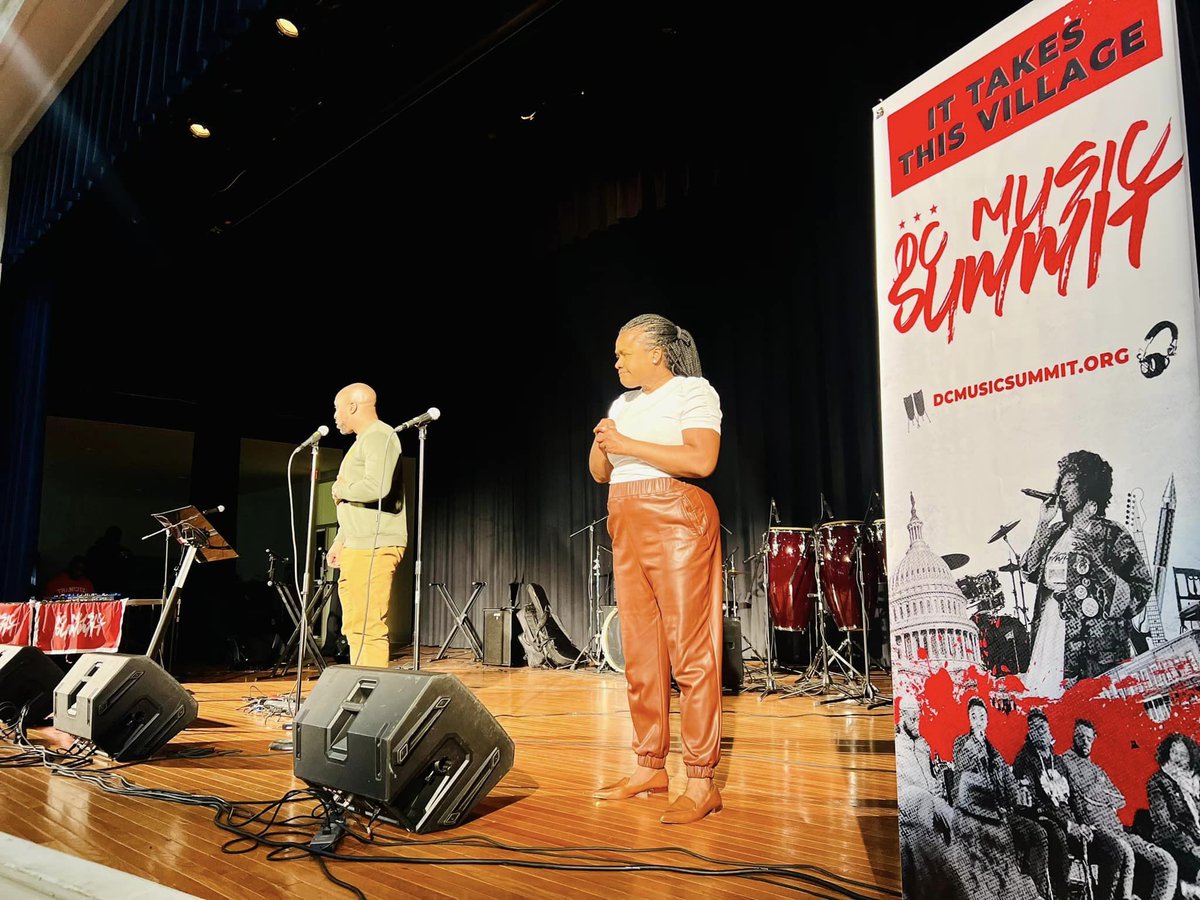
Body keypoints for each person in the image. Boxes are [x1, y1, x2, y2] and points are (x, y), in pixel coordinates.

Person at [588, 313, 725, 825]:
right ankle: (649, 765)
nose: (617, 361)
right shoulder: (621, 404)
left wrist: (627, 444)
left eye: (624, 352)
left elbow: (702, 459)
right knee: (640, 654)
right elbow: (601, 472)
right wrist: (604, 441)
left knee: (691, 652)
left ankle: (700, 779)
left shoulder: (693, 391)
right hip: (625, 518)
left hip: (676, 517)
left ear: (656, 353)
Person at [1021, 450, 1152, 692]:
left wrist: (1099, 565)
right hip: (1051, 636)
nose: (1062, 490)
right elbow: (1029, 571)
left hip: (1095, 646)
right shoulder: (1055, 533)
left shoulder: (1112, 533)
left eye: (1070, 483)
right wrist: (1042, 524)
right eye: (1061, 483)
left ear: (1088, 487)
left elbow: (1140, 592)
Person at [325, 383, 407, 669]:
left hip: (376, 542)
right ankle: (361, 683)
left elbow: (378, 486)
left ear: (352, 406)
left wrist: (341, 489)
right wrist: (340, 540)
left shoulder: (380, 435)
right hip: (358, 543)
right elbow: (356, 507)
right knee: (354, 623)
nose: (335, 416)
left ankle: (371, 694)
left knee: (368, 623)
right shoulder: (362, 441)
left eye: (337, 408)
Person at [1060, 719, 1178, 900]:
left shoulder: (1098, 769)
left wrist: (1099, 793)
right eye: (1080, 737)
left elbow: (1120, 799)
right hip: (1097, 832)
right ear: (1073, 738)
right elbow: (1081, 797)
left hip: (1119, 830)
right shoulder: (1064, 763)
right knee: (1126, 853)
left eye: (1089, 738)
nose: (1085, 741)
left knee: (1166, 862)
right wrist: (1100, 792)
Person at [951, 696, 1047, 900]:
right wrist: (974, 746)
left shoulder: (994, 752)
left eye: (982, 716)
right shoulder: (962, 744)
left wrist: (1019, 795)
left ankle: (1035, 892)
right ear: (969, 720)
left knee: (1038, 834)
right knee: (1002, 838)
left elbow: (1009, 781)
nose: (978, 720)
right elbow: (962, 777)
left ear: (987, 720)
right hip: (977, 816)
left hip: (1002, 814)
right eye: (974, 716)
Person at [895, 695, 970, 900]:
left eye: (917, 718)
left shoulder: (923, 744)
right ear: (901, 716)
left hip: (929, 796)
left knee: (955, 819)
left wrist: (935, 784)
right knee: (923, 801)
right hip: (909, 798)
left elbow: (930, 773)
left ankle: (960, 874)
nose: (915, 723)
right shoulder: (896, 745)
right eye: (911, 719)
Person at [1146, 733, 1200, 892]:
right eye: (1174, 752)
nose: (1177, 759)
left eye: (1183, 755)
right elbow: (1163, 825)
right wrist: (1192, 847)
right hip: (1174, 845)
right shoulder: (1157, 782)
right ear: (1166, 754)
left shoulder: (1193, 785)